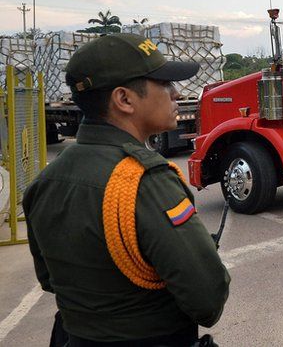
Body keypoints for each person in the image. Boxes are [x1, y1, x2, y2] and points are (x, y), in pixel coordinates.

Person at [23, 33, 230, 346]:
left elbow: (50, 281)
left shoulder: (45, 181)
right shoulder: (146, 184)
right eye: (164, 84)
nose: (175, 94)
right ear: (124, 100)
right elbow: (208, 299)